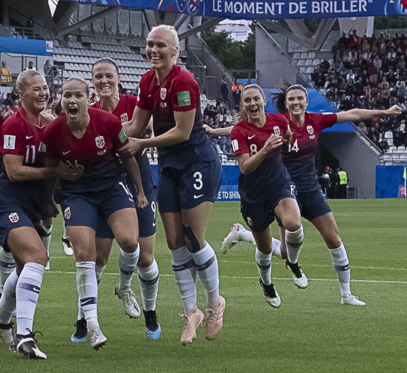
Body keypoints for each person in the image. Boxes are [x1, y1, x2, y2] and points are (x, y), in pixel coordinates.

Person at [222, 84, 401, 305]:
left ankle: (346, 294)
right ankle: (251, 239)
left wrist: (383, 112)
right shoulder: (278, 122)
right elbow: (242, 131)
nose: (296, 103)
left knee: (333, 239)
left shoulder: (313, 120)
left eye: (300, 99)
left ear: (307, 102)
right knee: (285, 252)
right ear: (285, 104)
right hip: (281, 190)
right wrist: (215, 131)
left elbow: (352, 114)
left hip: (309, 190)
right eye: (291, 100)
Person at [120, 25, 226, 344]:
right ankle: (191, 311)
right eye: (149, 44)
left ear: (175, 50)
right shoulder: (147, 80)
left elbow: (182, 131)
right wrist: (106, 132)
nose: (153, 50)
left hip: (197, 163)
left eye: (160, 45)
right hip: (169, 166)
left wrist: (142, 143)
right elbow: (135, 125)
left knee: (194, 239)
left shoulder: (184, 81)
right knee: (175, 242)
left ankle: (214, 303)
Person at [43, 77, 148, 350]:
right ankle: (92, 323)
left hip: (111, 187)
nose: (72, 100)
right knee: (86, 255)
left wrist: (139, 191)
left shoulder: (108, 122)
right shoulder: (53, 132)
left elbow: (126, 155)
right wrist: (50, 196)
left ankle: (124, 288)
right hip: (76, 194)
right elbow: (48, 169)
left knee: (129, 242)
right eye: (67, 95)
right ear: (62, 100)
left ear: (88, 99)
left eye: (78, 95)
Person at [0, 70, 77, 359]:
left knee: (26, 268)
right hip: (6, 204)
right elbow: (13, 171)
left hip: (32, 207)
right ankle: (24, 336)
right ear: (21, 95)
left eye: (45, 88)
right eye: (35, 89)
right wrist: (55, 172)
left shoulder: (50, 124)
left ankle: (0, 321)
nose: (42, 93)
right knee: (38, 257)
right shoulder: (14, 124)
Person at [70, 57, 160, 342]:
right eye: (98, 77)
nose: (104, 81)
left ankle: (146, 309)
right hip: (105, 187)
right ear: (92, 82)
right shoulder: (89, 111)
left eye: (109, 75)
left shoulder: (136, 105)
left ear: (119, 78)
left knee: (144, 257)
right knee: (98, 257)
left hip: (140, 183)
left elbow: (152, 130)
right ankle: (83, 318)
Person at [225, 84, 304, 309]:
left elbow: (288, 136)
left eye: (255, 99)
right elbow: (245, 168)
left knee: (293, 223)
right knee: (266, 249)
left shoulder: (279, 121)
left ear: (263, 101)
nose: (252, 104)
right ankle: (267, 283)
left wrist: (283, 145)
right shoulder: (238, 131)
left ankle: (293, 263)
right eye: (247, 100)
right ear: (243, 105)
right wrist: (265, 149)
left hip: (279, 185)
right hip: (253, 195)